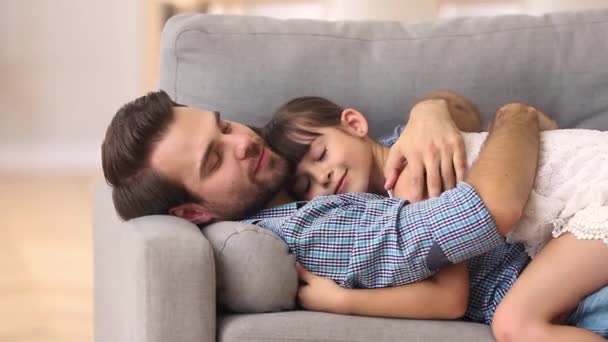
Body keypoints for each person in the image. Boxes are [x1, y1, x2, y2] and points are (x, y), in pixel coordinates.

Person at [101, 90, 574, 340]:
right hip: (573, 275)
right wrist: (517, 115)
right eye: (213, 159)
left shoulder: (287, 165)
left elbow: (459, 110)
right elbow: (486, 211)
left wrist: (428, 111)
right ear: (192, 211)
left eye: (223, 125)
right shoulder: (310, 225)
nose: (242, 141)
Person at [262, 94, 608, 340]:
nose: (322, 176)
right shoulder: (398, 171)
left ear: (353, 123)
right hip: (579, 197)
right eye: (305, 185)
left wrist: (342, 300)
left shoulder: (412, 174)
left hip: (594, 189)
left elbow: (449, 296)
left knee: (517, 324)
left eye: (321, 154)